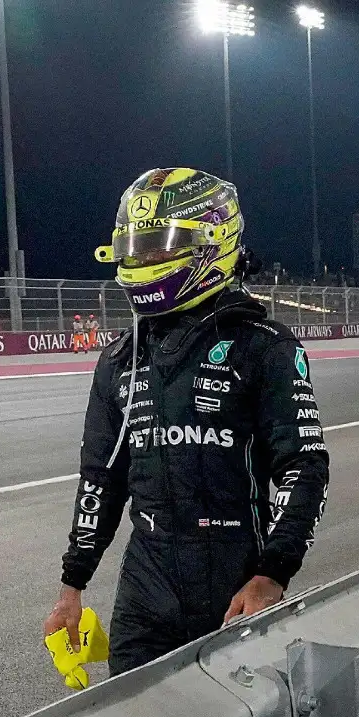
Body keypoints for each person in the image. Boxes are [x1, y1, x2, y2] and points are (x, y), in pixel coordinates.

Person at [44, 167, 330, 676]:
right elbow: (100, 481)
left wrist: (272, 575)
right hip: (145, 587)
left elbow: (302, 467)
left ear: (214, 240)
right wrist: (73, 586)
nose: (142, 259)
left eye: (157, 245)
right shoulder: (117, 362)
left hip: (237, 582)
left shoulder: (265, 346)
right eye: (133, 246)